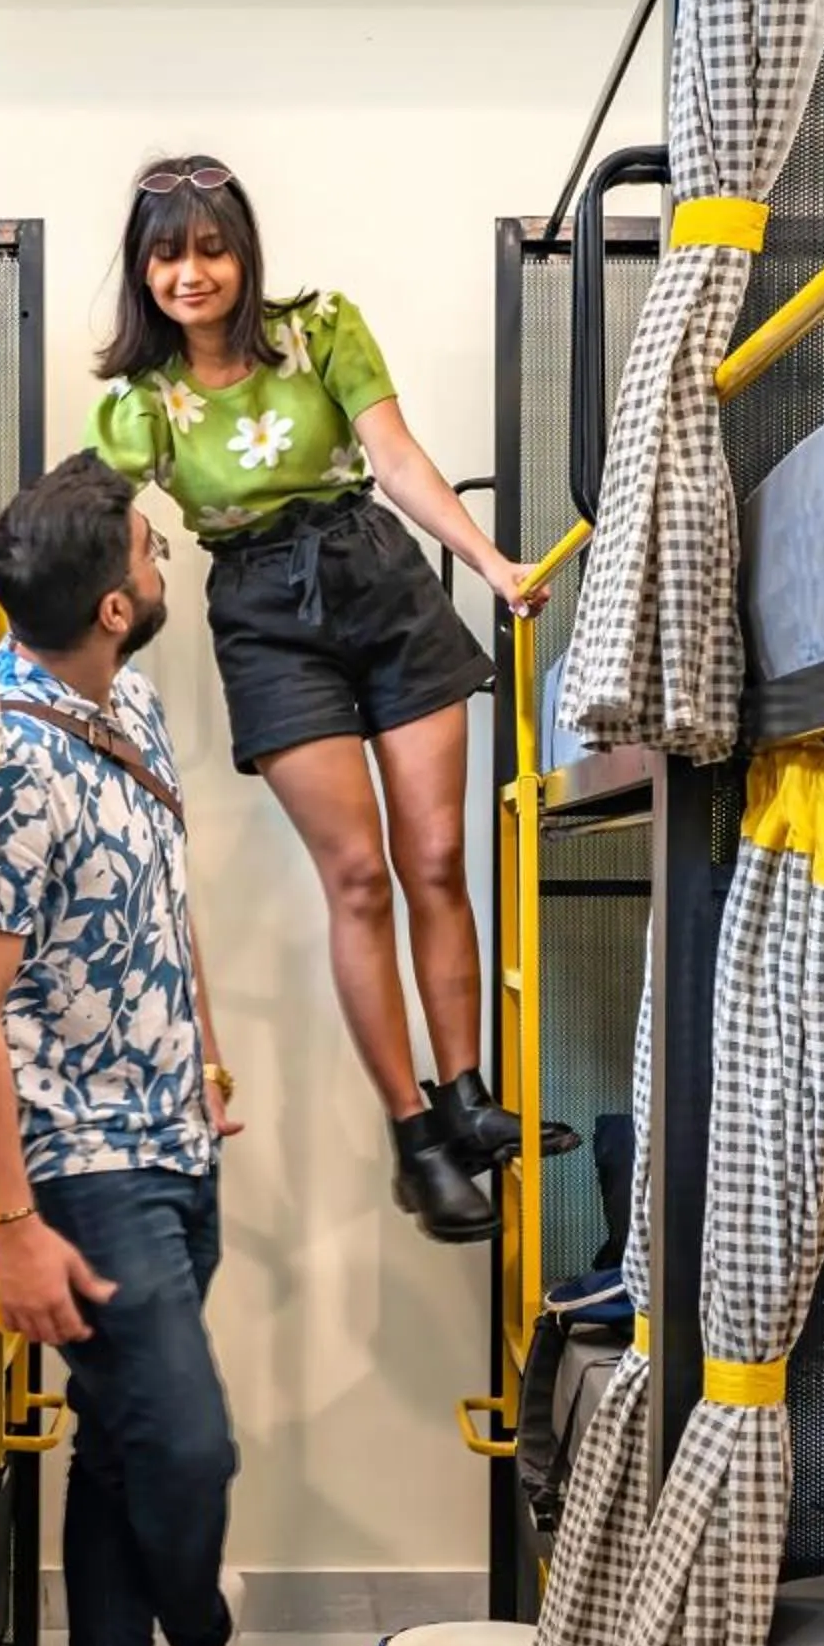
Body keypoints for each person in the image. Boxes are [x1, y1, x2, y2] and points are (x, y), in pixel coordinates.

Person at [89, 152, 573, 1246]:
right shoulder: (142, 402)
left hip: (380, 576)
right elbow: (92, 514)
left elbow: (394, 458)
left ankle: (465, 1098)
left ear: (244, 254)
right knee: (357, 878)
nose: (191, 274)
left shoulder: (320, 329)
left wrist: (490, 565)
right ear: (143, 273)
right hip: (264, 615)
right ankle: (415, 1141)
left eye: (212, 249)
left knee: (436, 856)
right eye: (167, 257)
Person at [0, 452, 292, 1646]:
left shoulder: (126, 704)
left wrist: (204, 1057)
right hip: (76, 1163)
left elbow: (161, 896)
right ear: (117, 607)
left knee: (128, 1445)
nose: (166, 555)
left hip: (171, 1133)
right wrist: (13, 1226)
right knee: (186, 1443)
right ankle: (200, 1639)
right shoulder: (0, 763)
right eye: (152, 546)